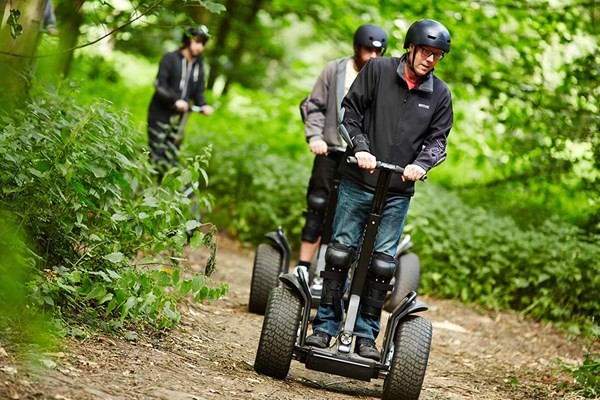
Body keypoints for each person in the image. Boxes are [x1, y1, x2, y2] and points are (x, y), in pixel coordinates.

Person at [305, 19, 453, 361]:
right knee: (340, 252)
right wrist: (360, 148)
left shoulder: (440, 95)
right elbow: (349, 112)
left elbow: (437, 140)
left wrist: (423, 164)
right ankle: (325, 327)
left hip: (398, 189)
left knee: (383, 265)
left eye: (437, 55)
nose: (430, 60)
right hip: (359, 180)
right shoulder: (377, 72)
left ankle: (366, 336)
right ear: (411, 48)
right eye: (426, 52)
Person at [298, 24, 388, 272]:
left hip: (361, 157)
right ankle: (303, 267)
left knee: (355, 212)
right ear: (357, 48)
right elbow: (315, 106)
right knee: (318, 205)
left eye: (377, 52)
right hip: (329, 149)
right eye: (367, 50)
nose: (372, 57)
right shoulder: (334, 70)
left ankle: (341, 272)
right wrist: (315, 136)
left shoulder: (382, 76)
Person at [147, 25, 214, 182]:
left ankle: (159, 188)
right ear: (187, 40)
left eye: (203, 43)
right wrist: (175, 100)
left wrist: (203, 104)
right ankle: (143, 186)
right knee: (156, 149)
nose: (199, 46)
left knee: (171, 152)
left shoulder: (199, 65)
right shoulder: (170, 58)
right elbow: (160, 85)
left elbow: (198, 90)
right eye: (197, 41)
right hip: (160, 113)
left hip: (180, 117)